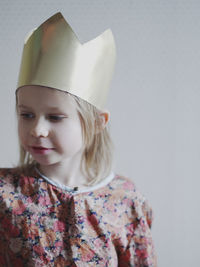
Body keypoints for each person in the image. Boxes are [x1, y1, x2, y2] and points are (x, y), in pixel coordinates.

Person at [0, 12, 157, 266]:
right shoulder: (6, 193)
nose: (37, 129)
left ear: (97, 123)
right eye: (26, 114)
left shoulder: (125, 200)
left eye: (55, 117)